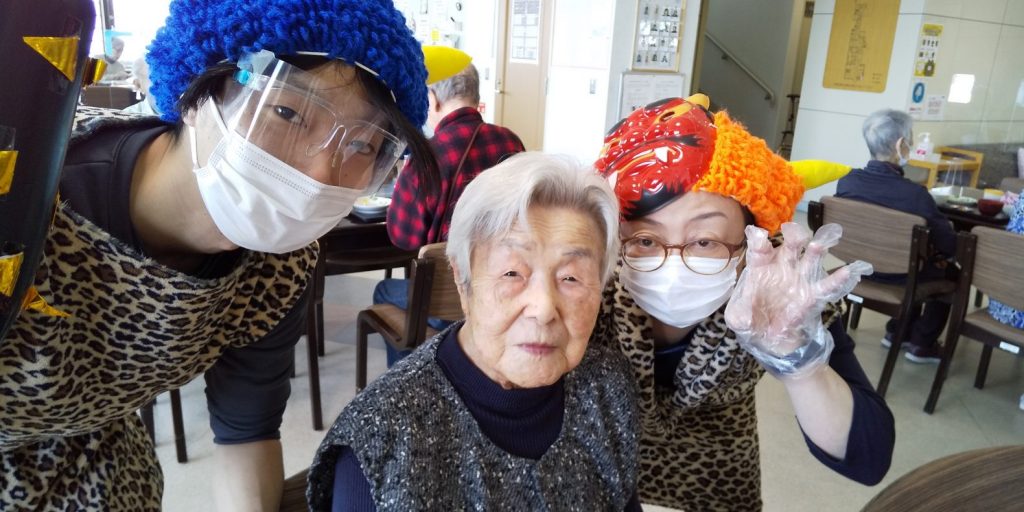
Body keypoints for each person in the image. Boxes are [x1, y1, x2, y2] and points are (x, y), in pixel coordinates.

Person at [0, 0, 438, 510]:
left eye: (363, 146)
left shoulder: (280, 265)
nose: (321, 172)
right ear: (196, 94)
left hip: (104, 474)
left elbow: (246, 432)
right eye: (287, 111)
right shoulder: (26, 196)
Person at [591, 95, 896, 510]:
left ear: (753, 237)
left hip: (717, 481)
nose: (674, 264)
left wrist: (797, 358)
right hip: (602, 479)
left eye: (705, 241)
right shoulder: (590, 284)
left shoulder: (778, 287)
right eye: (645, 239)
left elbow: (868, 458)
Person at [307, 153, 643, 510]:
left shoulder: (608, 385)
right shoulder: (379, 440)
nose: (544, 309)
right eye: (512, 273)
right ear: (462, 279)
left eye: (571, 278)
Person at [377, 62, 525, 365]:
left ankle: (408, 379)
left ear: (432, 100)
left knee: (383, 290)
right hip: (503, 286)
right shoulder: (511, 142)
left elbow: (404, 237)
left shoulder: (427, 155)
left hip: (447, 298)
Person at [836, 109, 956, 363]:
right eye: (910, 139)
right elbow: (948, 245)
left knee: (916, 261)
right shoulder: (916, 196)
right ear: (901, 144)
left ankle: (897, 331)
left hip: (856, 267)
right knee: (950, 271)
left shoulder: (847, 182)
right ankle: (922, 342)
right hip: (899, 277)